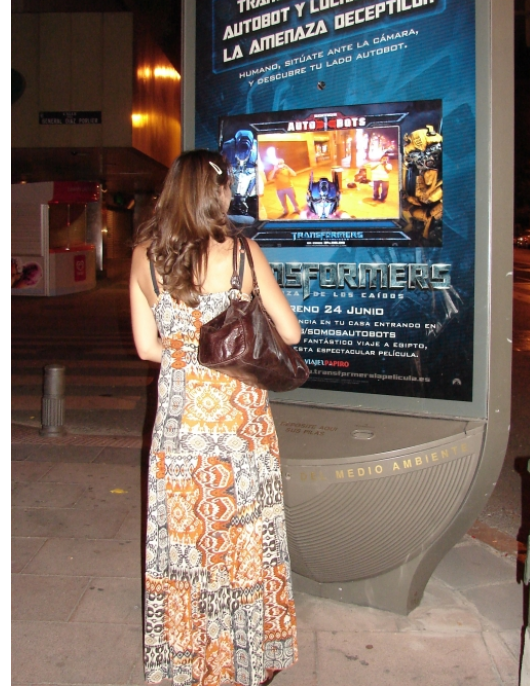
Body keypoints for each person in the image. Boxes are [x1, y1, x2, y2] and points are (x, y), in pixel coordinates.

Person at [129, 149, 301, 686]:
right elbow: (290, 333)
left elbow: (147, 348)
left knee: (186, 544)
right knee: (243, 538)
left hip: (178, 428)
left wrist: (186, 350)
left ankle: (189, 662)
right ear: (219, 192)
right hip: (238, 425)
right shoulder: (243, 253)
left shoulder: (143, 257)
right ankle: (242, 662)